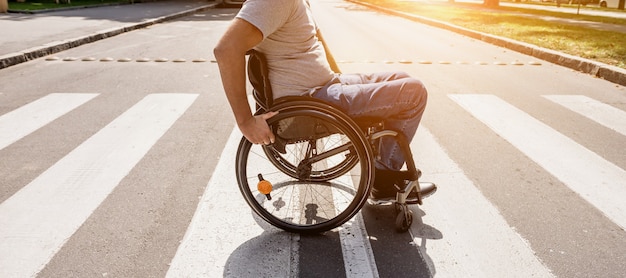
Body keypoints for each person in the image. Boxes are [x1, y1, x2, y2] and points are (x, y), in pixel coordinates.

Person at [214, 0, 436, 202]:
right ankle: (384, 179)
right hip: (311, 99)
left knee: (400, 78)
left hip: (324, 87)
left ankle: (382, 167)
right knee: (414, 92)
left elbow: (318, 42)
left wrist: (349, 86)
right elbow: (226, 50)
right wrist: (245, 122)